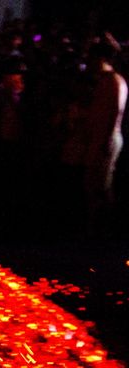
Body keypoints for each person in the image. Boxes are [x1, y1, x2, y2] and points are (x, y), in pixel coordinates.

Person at [83, 39, 127, 231]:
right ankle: (97, 223)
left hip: (107, 138)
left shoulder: (114, 81)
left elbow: (116, 110)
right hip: (100, 137)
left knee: (103, 182)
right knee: (95, 181)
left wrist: (107, 138)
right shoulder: (102, 81)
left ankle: (104, 225)